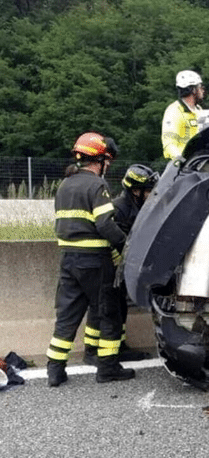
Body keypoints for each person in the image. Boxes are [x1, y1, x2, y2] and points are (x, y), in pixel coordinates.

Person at [46, 132, 135, 386]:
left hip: (68, 260)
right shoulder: (97, 186)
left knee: (67, 316)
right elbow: (105, 224)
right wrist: (125, 245)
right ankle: (107, 368)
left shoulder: (64, 185)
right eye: (107, 161)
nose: (108, 165)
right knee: (110, 313)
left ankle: (55, 370)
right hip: (95, 262)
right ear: (99, 160)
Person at [83, 164, 159, 365]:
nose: (152, 194)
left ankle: (118, 345)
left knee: (120, 307)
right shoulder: (119, 208)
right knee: (102, 308)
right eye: (149, 190)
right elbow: (114, 238)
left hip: (121, 267)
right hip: (108, 267)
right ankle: (91, 351)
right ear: (136, 191)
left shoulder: (139, 207)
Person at [162, 70, 205, 161]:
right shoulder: (174, 110)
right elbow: (169, 143)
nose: (203, 90)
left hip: (199, 160)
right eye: (200, 87)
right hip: (184, 164)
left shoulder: (199, 110)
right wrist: (180, 160)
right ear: (193, 90)